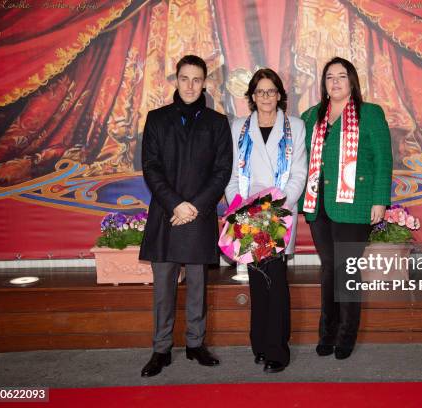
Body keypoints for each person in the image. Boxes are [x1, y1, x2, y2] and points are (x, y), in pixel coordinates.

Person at [139, 55, 233, 377]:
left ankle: (196, 344)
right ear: (175, 80)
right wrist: (175, 204)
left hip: (200, 215)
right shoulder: (156, 119)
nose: (191, 85)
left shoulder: (217, 123)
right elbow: (151, 168)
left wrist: (194, 207)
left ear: (204, 82)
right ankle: (160, 349)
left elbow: (222, 172)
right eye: (185, 79)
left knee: (197, 287)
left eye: (197, 79)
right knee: (163, 289)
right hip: (167, 215)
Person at [300, 57, 393, 360]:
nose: (336, 82)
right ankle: (326, 332)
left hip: (355, 204)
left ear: (352, 81)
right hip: (318, 205)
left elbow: (383, 160)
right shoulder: (311, 115)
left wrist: (380, 200)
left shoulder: (370, 114)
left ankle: (346, 335)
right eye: (330, 77)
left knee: (345, 269)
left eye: (342, 76)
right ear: (324, 84)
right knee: (329, 270)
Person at [225, 68, 307, 373]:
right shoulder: (237, 128)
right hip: (248, 216)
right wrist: (239, 209)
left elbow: (299, 172)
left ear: (280, 95)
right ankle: (259, 344)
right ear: (251, 97)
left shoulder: (295, 127)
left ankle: (277, 351)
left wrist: (278, 209)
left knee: (277, 283)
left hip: (279, 215)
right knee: (258, 283)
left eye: (271, 91)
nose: (266, 97)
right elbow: (232, 173)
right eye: (260, 92)